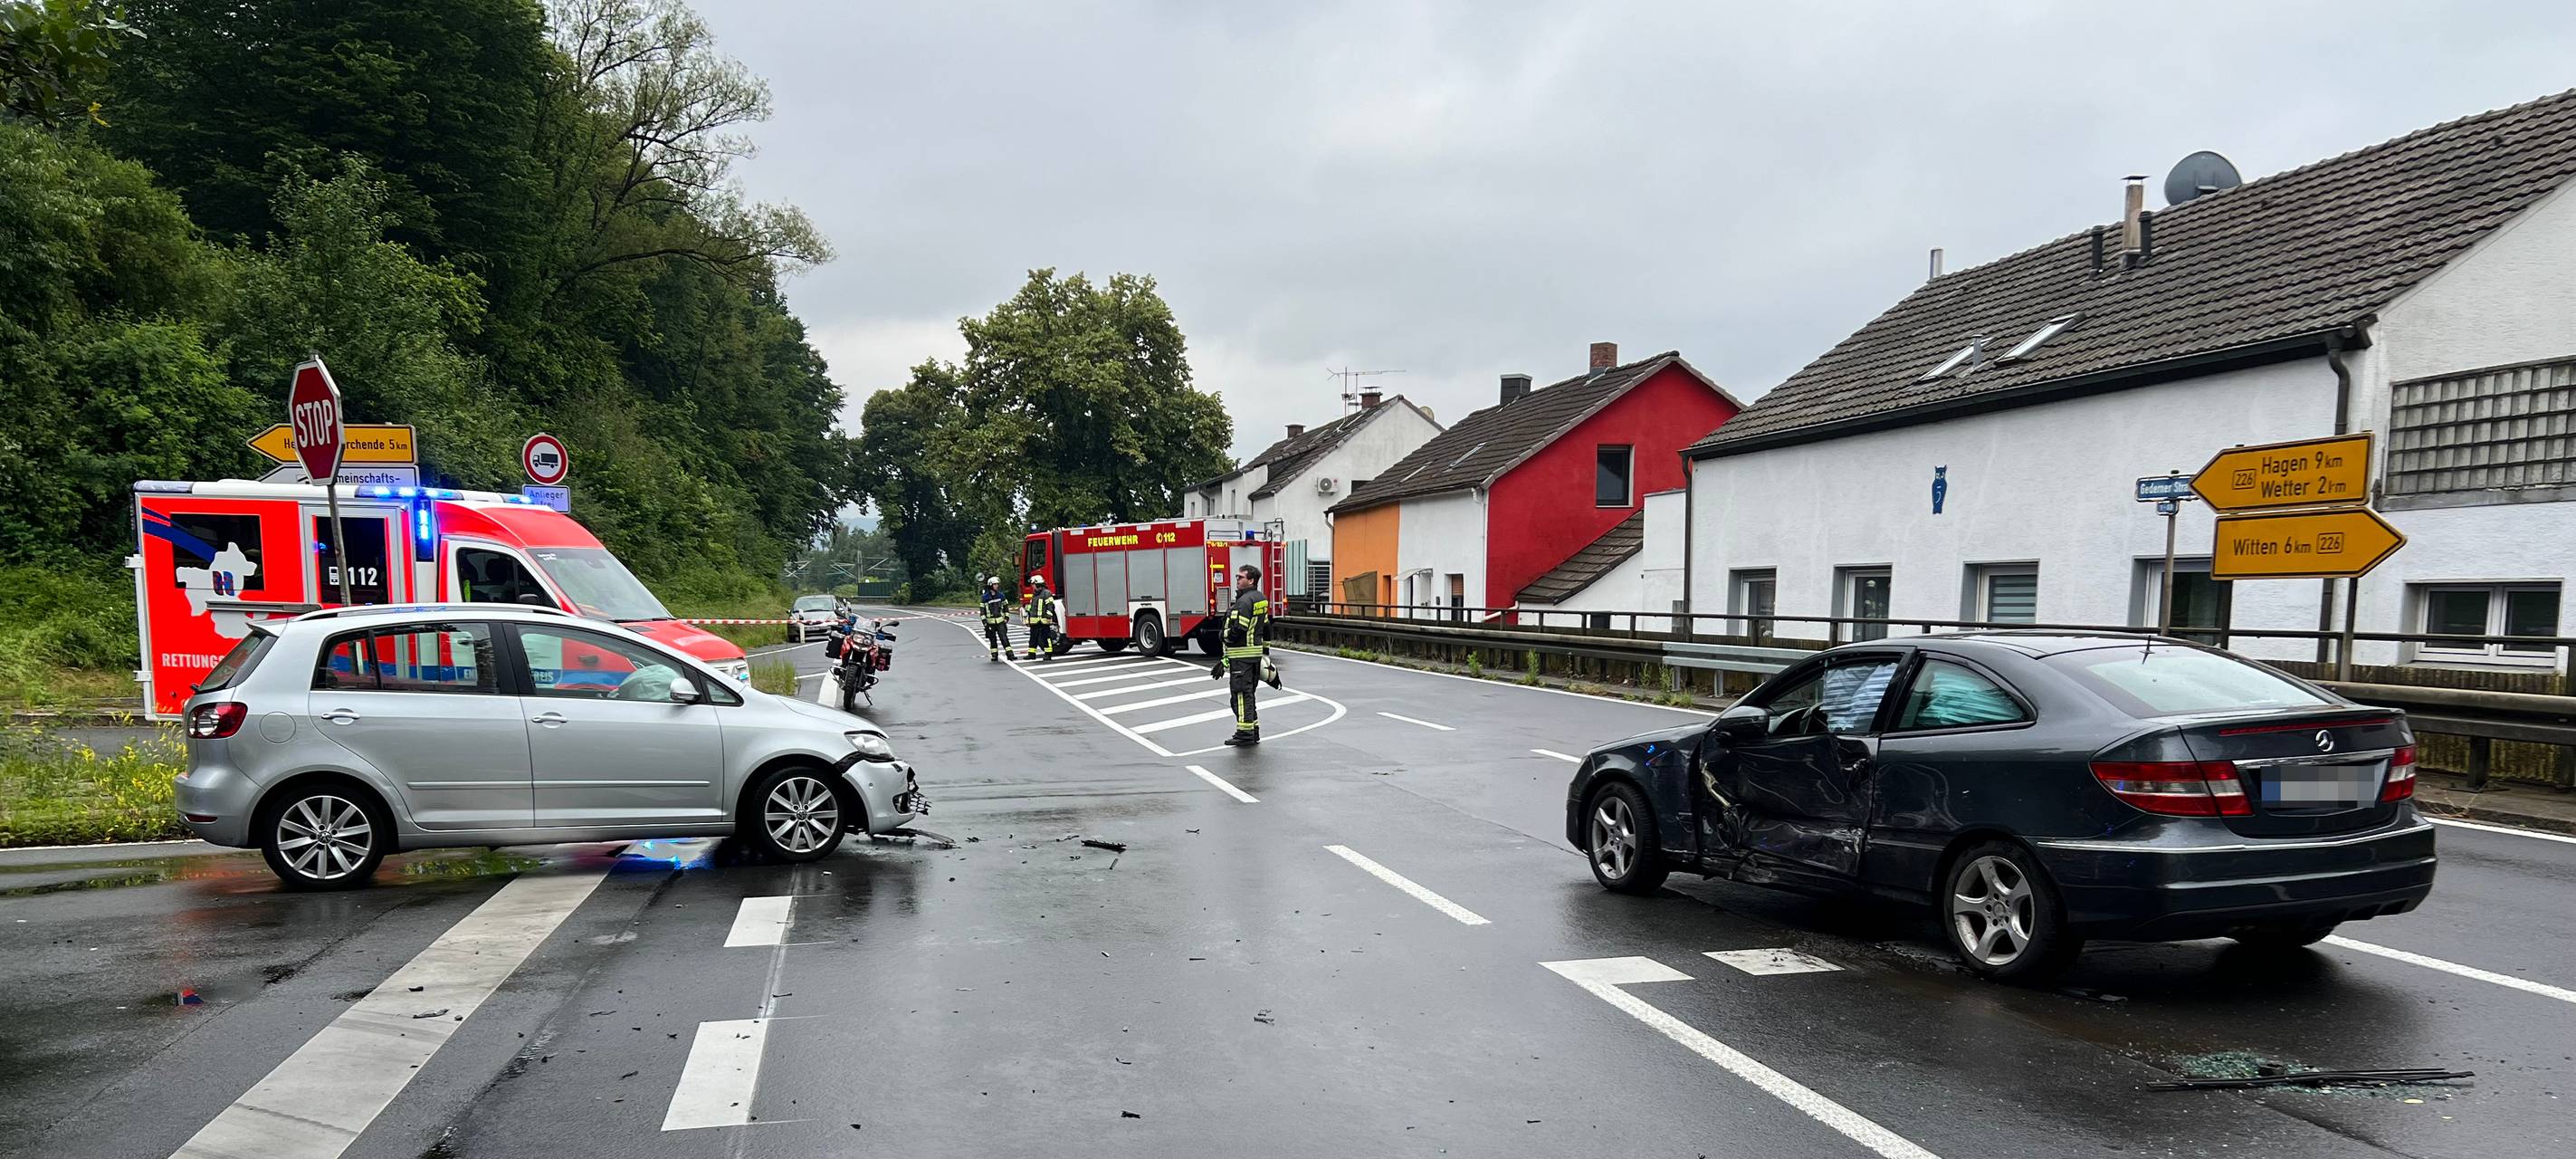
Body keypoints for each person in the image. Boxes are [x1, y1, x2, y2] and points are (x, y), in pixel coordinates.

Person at [1212, 562, 1273, 746]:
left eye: (1240, 577)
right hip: (1253, 656)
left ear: (1251, 580)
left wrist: (1223, 635)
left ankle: (1245, 734)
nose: (1237, 580)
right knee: (1249, 695)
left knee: (1240, 695)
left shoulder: (1244, 602)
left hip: (1242, 657)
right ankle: (1253, 730)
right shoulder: (1261, 598)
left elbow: (1240, 629)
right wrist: (1265, 653)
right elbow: (1266, 627)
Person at [1025, 574, 1060, 662]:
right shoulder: (1035, 594)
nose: (1032, 586)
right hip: (1035, 621)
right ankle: (1031, 654)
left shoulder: (1046, 593)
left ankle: (1048, 654)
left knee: (1046, 638)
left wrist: (1048, 616)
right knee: (1033, 638)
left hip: (1044, 621)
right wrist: (1028, 613)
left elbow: (1050, 606)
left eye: (1033, 584)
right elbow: (1032, 607)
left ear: (1037, 584)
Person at [979, 576, 1015, 661]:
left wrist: (1006, 618)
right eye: (995, 584)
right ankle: (994, 655)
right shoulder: (985, 598)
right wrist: (985, 623)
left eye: (997, 584)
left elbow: (1006, 608)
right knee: (992, 640)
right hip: (990, 622)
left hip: (1000, 621)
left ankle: (1010, 655)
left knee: (1004, 638)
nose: (997, 586)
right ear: (991, 585)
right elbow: (982, 612)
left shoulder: (1001, 596)